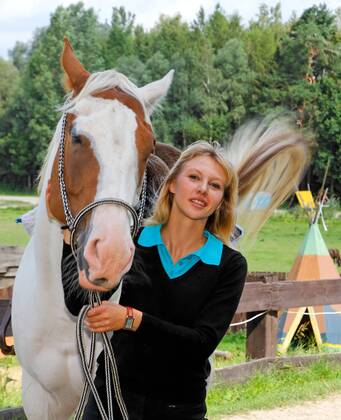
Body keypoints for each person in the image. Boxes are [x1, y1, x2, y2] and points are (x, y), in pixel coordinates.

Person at [62, 140, 248, 420]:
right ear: (172, 184)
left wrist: (130, 319)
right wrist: (68, 240)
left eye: (215, 185)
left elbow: (200, 345)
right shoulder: (133, 243)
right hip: (110, 402)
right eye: (194, 177)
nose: (202, 189)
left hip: (178, 409)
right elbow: (80, 303)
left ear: (222, 200)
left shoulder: (229, 265)